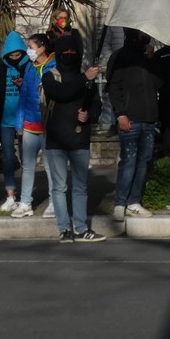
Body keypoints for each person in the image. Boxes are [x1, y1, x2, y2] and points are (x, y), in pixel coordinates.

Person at [42, 34, 105, 242]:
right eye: (65, 53)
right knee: (59, 187)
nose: (69, 56)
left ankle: (80, 227)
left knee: (80, 186)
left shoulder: (86, 79)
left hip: (79, 138)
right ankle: (64, 228)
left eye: (73, 52)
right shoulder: (51, 76)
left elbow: (96, 104)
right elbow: (61, 93)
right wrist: (84, 78)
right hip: (56, 139)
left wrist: (90, 115)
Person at [107, 27, 162, 219]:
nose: (144, 37)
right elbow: (113, 87)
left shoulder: (147, 58)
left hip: (149, 118)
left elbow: (158, 83)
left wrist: (152, 60)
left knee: (143, 161)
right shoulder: (120, 56)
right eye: (141, 34)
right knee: (129, 161)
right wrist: (121, 114)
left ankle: (134, 201)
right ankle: (120, 202)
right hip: (130, 117)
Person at [0, 30, 37, 213]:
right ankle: (10, 195)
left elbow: (34, 87)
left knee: (27, 159)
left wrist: (22, 84)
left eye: (18, 54)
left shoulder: (29, 65)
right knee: (8, 157)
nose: (15, 58)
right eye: (12, 55)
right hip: (5, 120)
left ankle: (26, 196)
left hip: (25, 119)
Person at [10, 33, 52, 219]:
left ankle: (54, 202)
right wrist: (20, 122)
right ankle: (26, 202)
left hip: (48, 126)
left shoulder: (54, 66)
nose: (28, 51)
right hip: (29, 125)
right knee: (27, 166)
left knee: (52, 167)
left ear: (42, 48)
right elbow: (24, 96)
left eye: (31, 47)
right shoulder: (29, 68)